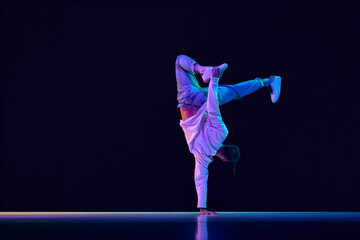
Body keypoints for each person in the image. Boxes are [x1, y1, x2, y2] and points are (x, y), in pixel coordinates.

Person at [176, 55, 281, 215]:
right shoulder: (202, 156)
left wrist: (215, 80)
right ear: (224, 160)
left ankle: (268, 81)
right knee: (178, 62)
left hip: (203, 98)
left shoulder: (222, 132)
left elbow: (212, 107)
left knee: (235, 90)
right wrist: (202, 208)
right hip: (187, 100)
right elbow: (200, 179)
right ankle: (205, 71)